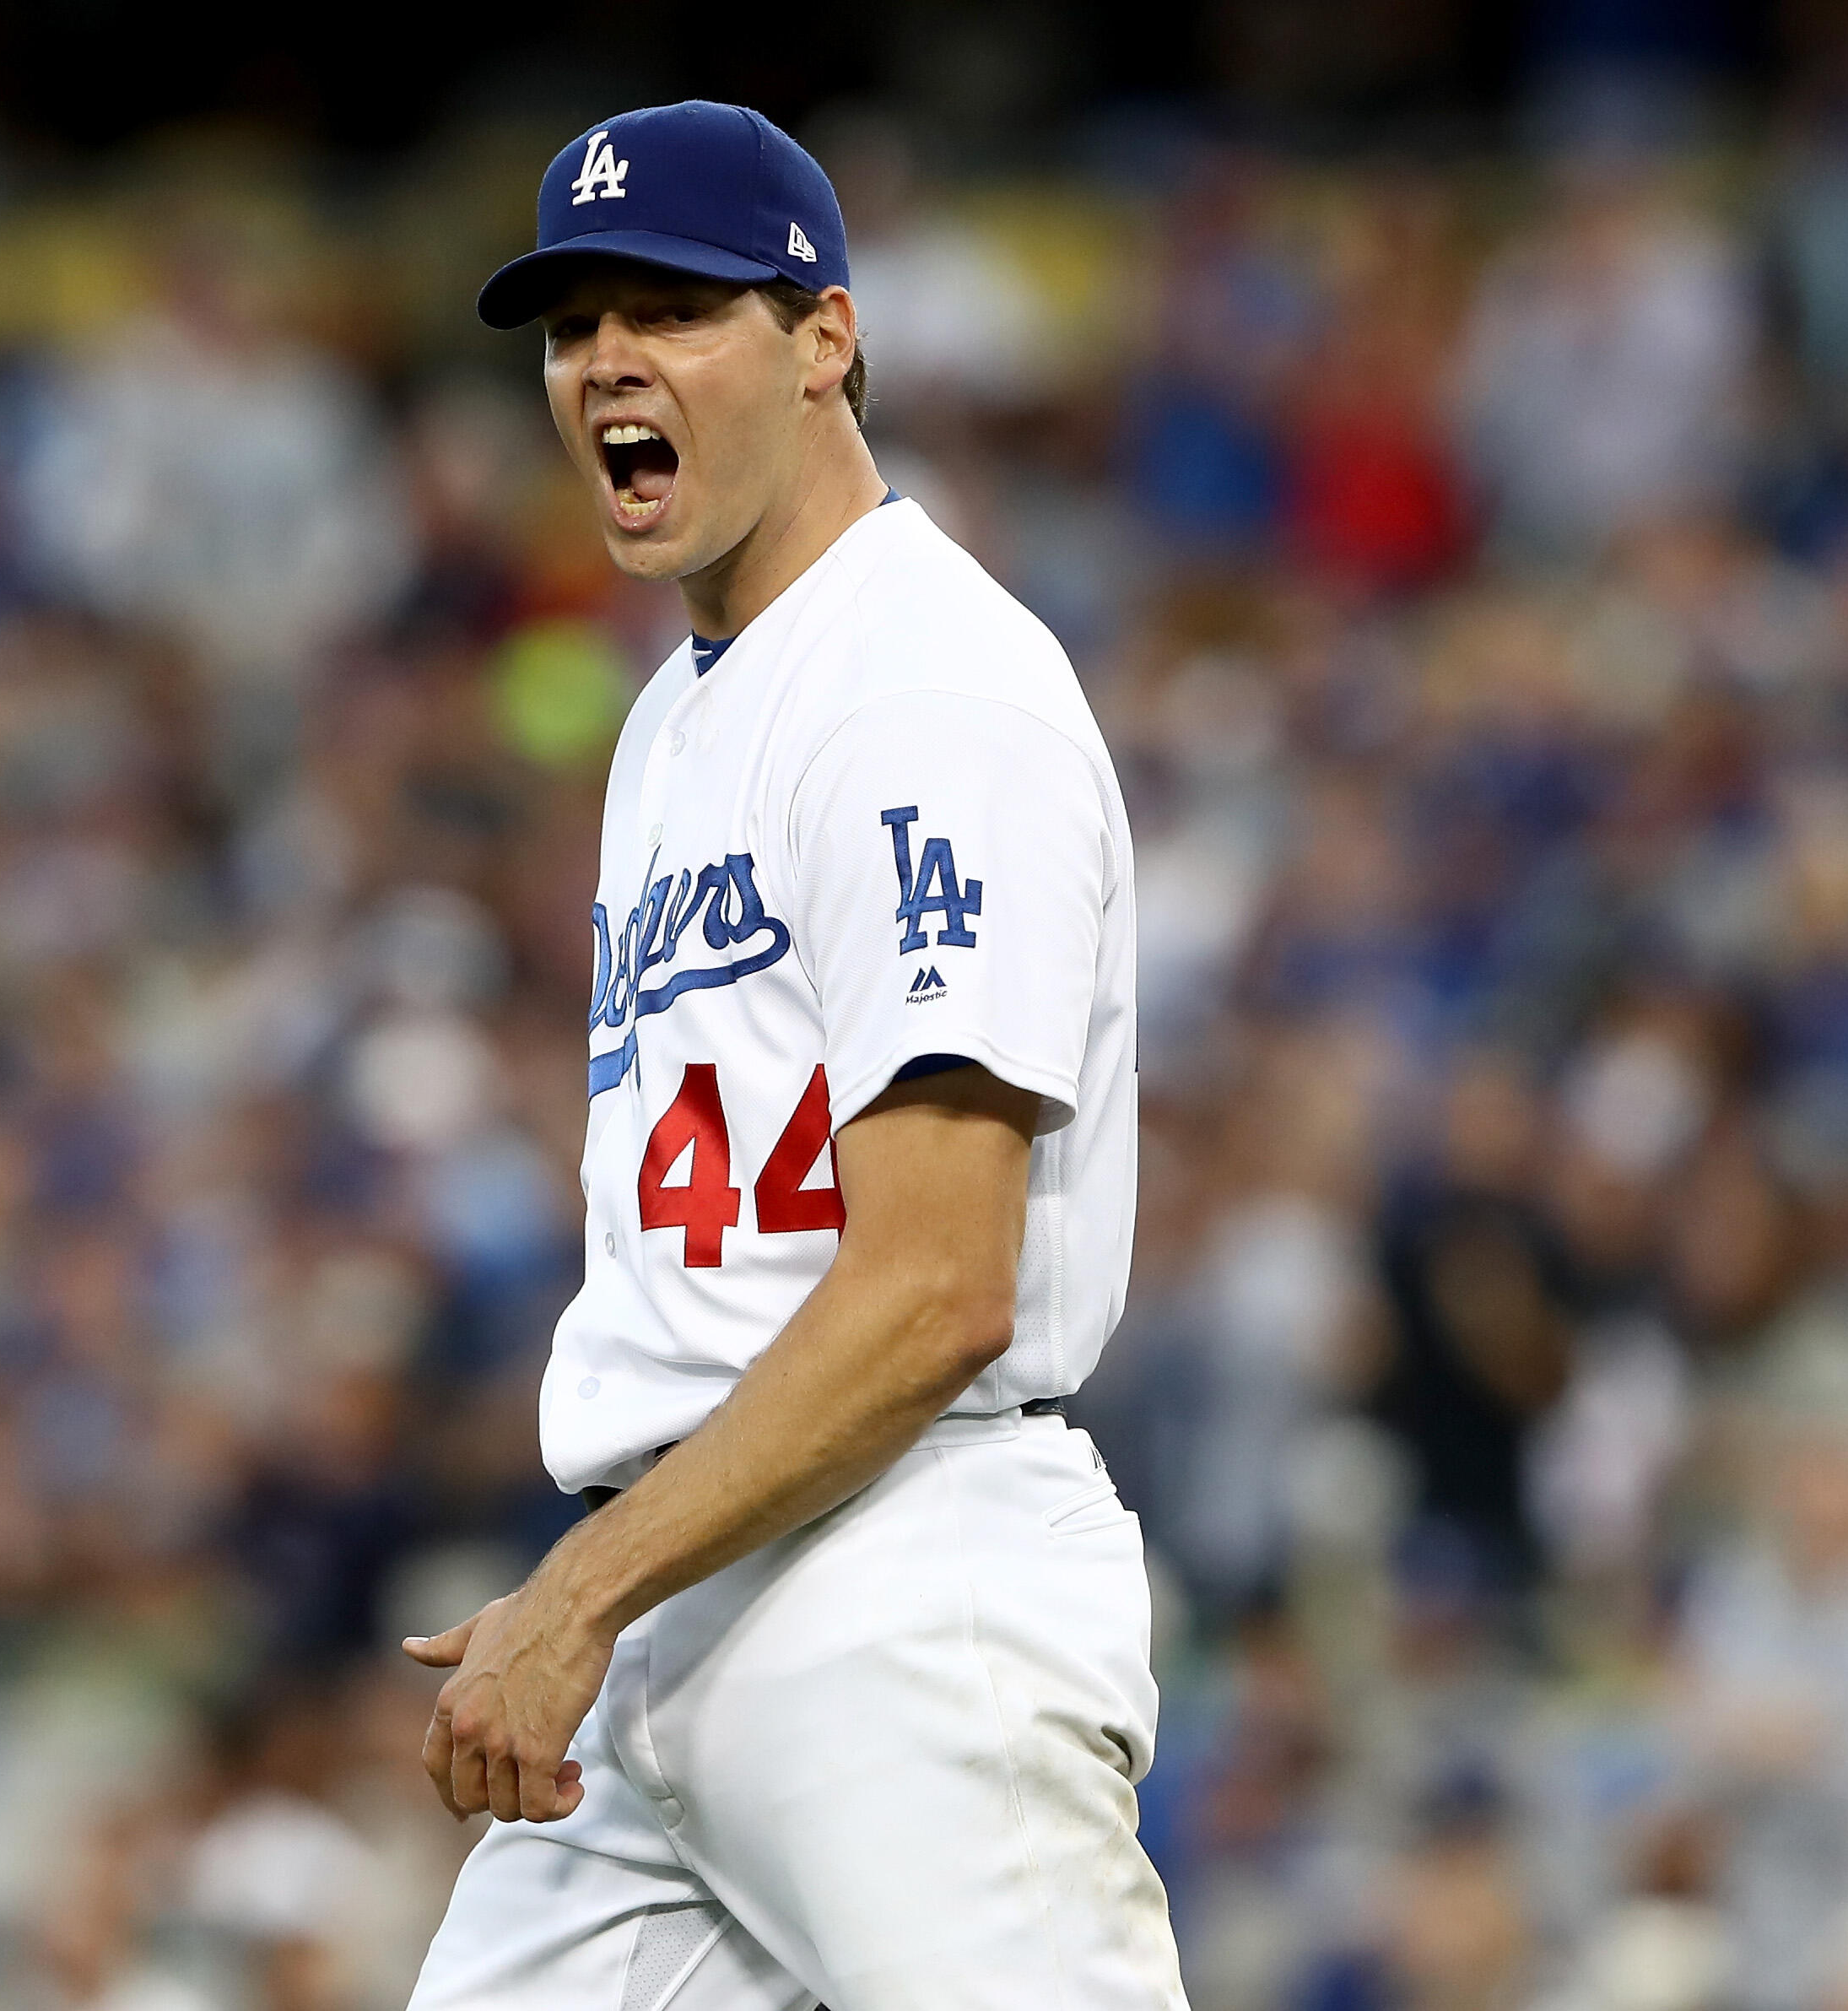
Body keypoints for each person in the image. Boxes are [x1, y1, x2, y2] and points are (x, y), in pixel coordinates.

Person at [400, 100, 1183, 2010]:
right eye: (573, 326)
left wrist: (571, 1601)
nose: (605, 367)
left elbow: (933, 1285)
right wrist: (612, 1588)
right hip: (677, 1577)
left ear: (825, 334)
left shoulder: (920, 682)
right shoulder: (673, 716)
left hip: (897, 1573)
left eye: (669, 308)